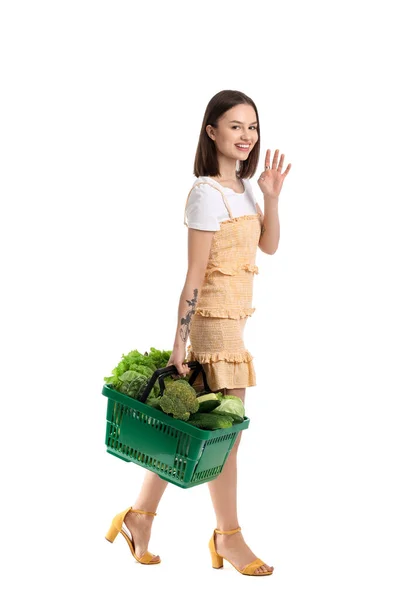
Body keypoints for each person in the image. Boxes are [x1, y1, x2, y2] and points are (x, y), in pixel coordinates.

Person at [105, 90, 291, 576]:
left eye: (252, 126)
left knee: (195, 435)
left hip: (236, 327)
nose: (247, 135)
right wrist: (179, 344)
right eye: (235, 126)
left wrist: (271, 197)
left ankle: (140, 517)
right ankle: (228, 537)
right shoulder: (205, 194)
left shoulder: (247, 191)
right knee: (223, 436)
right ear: (212, 131)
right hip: (211, 331)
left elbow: (268, 246)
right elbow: (194, 275)